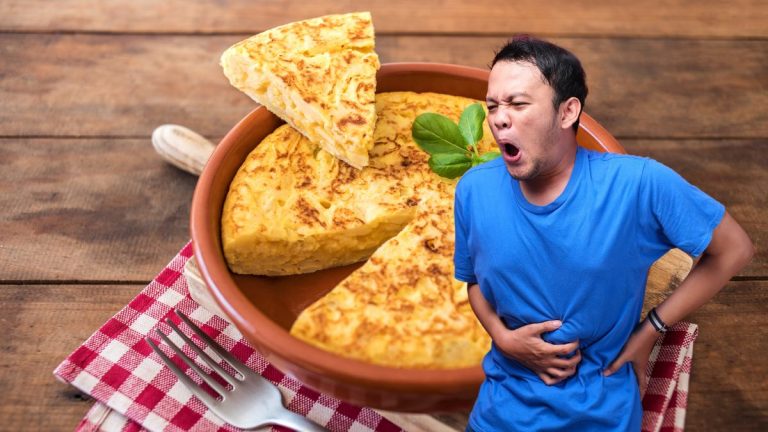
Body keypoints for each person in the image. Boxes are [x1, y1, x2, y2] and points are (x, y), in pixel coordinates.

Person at [453, 36, 754, 432]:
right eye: (492, 106)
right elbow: (474, 281)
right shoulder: (474, 188)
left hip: (601, 414)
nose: (498, 119)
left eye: (518, 104)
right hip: (498, 412)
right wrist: (503, 338)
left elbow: (734, 249)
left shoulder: (638, 184)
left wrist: (651, 331)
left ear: (567, 112)